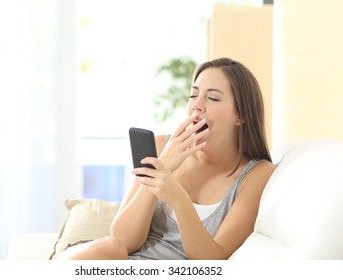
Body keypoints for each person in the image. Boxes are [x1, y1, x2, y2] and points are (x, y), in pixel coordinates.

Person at [56, 57, 276, 260]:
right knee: (111, 248)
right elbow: (123, 240)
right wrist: (164, 166)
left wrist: (178, 197)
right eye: (193, 94)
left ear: (241, 115)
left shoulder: (256, 174)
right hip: (109, 260)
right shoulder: (161, 146)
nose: (196, 105)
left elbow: (211, 262)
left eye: (213, 98)